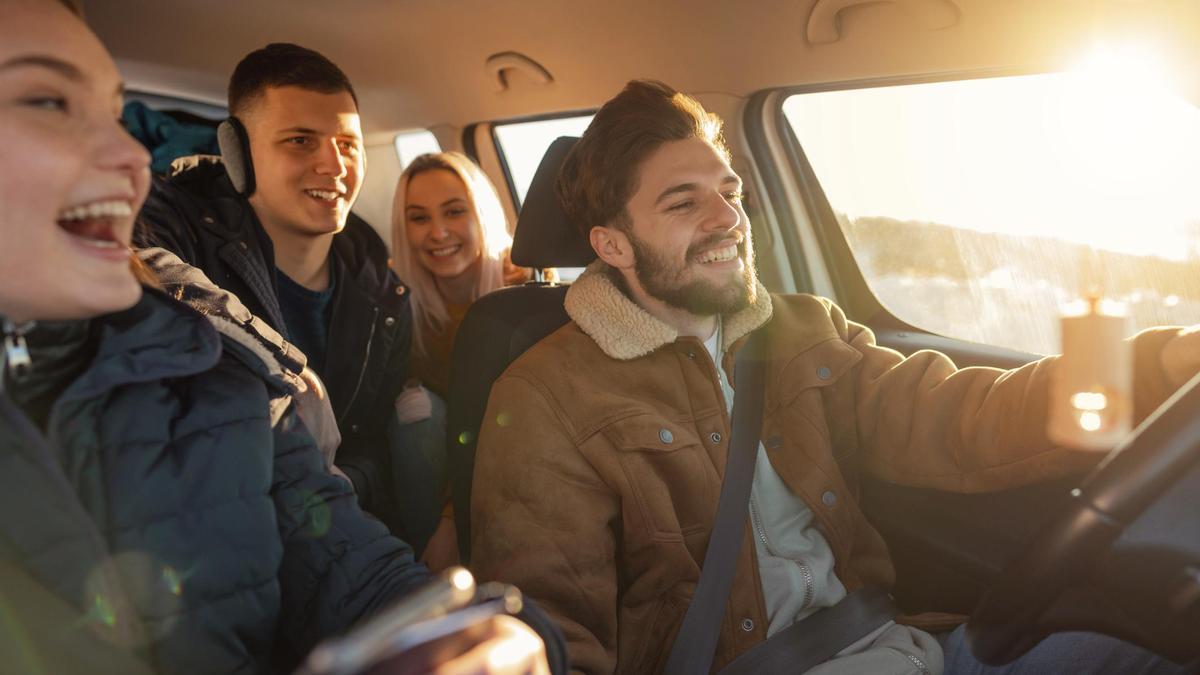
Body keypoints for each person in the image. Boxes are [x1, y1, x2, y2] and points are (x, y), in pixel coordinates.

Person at [467, 80, 1200, 674]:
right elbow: (554, 636)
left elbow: (958, 415)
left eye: (728, 191)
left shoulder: (801, 329)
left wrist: (1154, 363)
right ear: (612, 245)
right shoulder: (544, 399)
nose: (727, 216)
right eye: (683, 202)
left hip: (907, 648)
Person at [0, 1, 562, 673]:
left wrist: (495, 633)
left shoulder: (357, 308)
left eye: (349, 145)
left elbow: (339, 544)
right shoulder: (181, 274)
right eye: (47, 101)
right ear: (236, 151)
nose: (129, 155)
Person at [134, 43, 427, 549]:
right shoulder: (172, 223)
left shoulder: (382, 293)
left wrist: (337, 488)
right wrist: (277, 366)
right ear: (238, 153)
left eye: (348, 144)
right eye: (300, 141)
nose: (333, 166)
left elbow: (370, 443)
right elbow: (140, 265)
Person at [390, 152, 538, 569]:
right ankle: (426, 578)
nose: (438, 233)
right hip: (438, 458)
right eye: (418, 218)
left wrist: (454, 520)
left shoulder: (526, 294)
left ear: (482, 214)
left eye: (454, 212)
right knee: (415, 410)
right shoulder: (395, 299)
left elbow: (513, 423)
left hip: (512, 451)